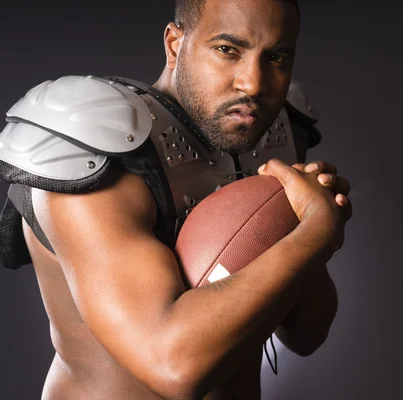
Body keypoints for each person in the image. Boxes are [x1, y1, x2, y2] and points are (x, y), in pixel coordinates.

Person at [0, 0, 353, 399]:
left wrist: (314, 225)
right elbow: (172, 365)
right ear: (174, 44)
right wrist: (317, 234)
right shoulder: (96, 146)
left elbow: (307, 334)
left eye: (276, 57)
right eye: (227, 50)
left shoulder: (270, 135)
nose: (253, 84)